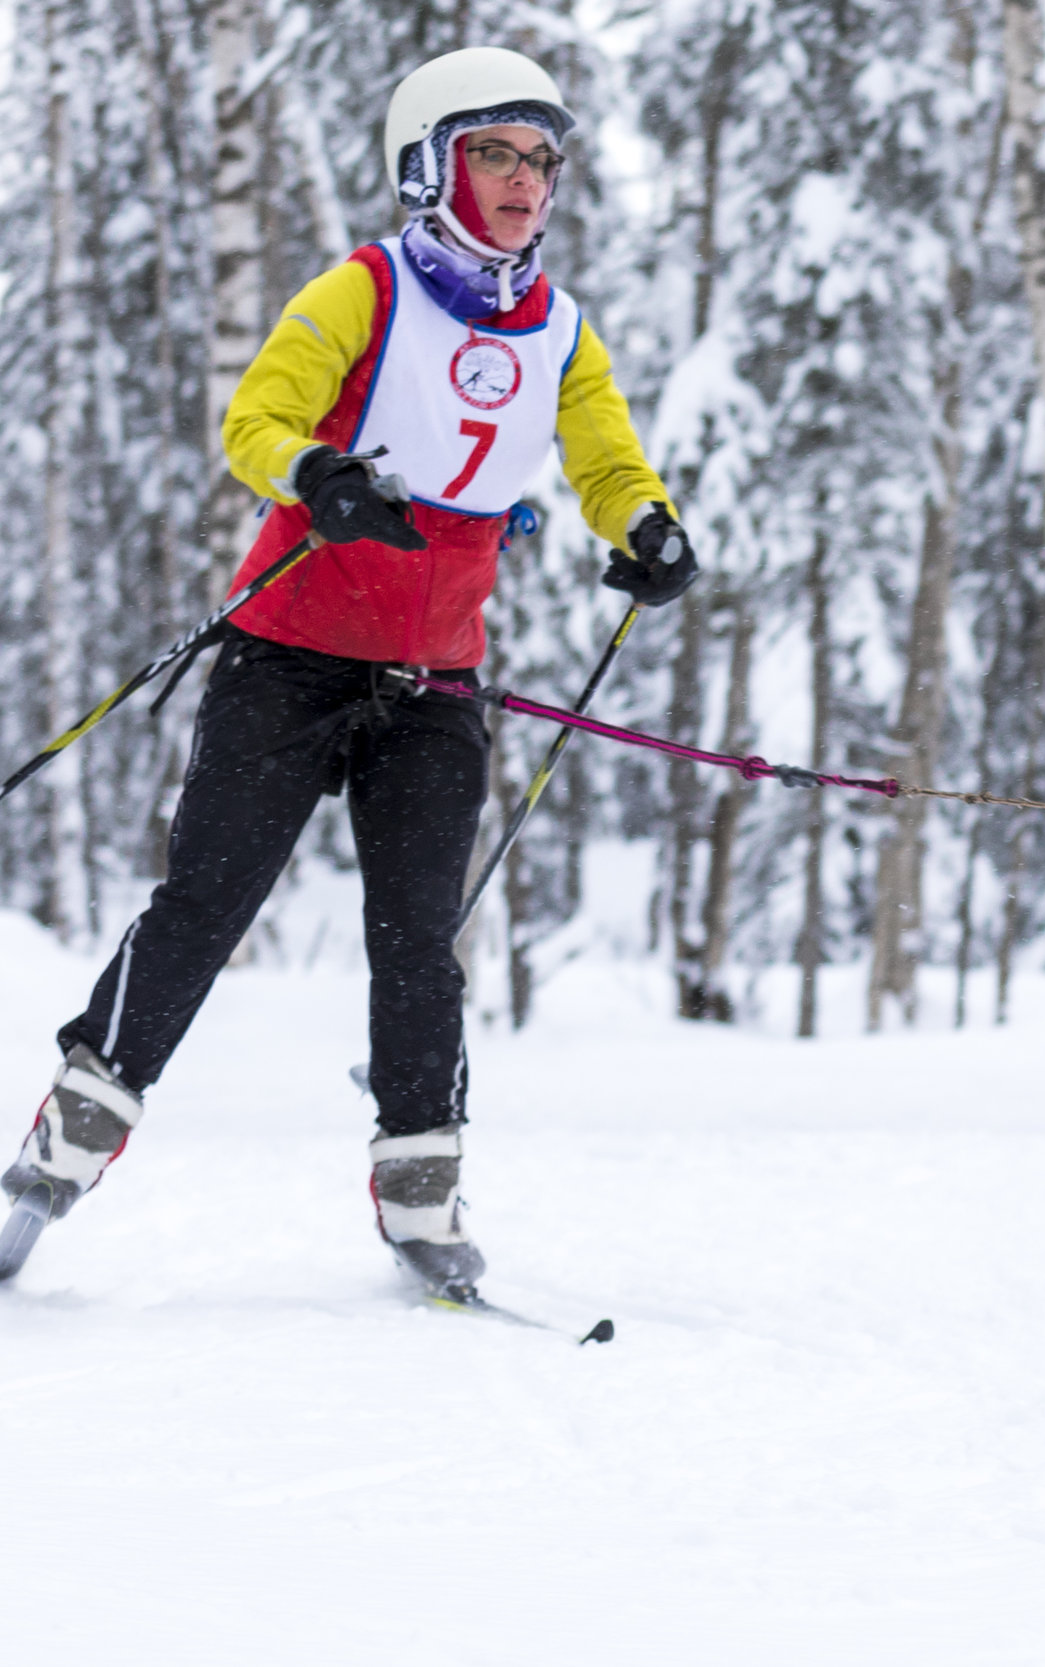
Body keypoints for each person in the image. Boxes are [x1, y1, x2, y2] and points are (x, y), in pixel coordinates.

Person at [0, 47, 698, 1296]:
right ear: (430, 163)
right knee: (202, 910)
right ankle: (53, 1161)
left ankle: (422, 1197)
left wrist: (645, 527)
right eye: (494, 151)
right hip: (288, 661)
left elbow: (605, 460)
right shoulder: (362, 292)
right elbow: (255, 423)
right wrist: (319, 473)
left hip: (434, 686)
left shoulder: (562, 332)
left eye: (542, 158)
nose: (525, 181)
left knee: (418, 942)